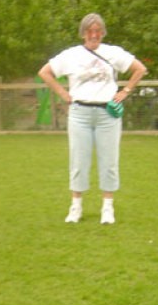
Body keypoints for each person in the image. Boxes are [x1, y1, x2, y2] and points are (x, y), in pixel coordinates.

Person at [38, 13, 147, 224]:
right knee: (78, 160)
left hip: (108, 113)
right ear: (83, 33)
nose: (94, 35)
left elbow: (139, 69)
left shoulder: (113, 53)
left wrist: (125, 91)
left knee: (109, 160)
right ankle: (76, 206)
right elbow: (45, 72)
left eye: (98, 31)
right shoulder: (71, 55)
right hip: (80, 113)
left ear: (103, 33)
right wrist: (63, 93)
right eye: (90, 31)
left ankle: (108, 207)